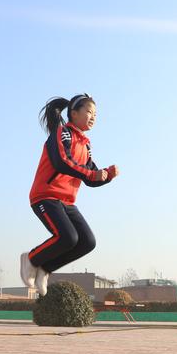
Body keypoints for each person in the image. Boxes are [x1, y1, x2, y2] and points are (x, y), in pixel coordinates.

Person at [20, 94, 119, 296]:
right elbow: (62, 162)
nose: (93, 117)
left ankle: (45, 269)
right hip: (45, 196)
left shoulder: (86, 145)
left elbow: (90, 177)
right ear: (73, 114)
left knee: (86, 241)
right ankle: (30, 259)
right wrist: (93, 173)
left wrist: (107, 175)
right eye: (89, 111)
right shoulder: (62, 133)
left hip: (67, 200)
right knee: (67, 237)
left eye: (96, 114)